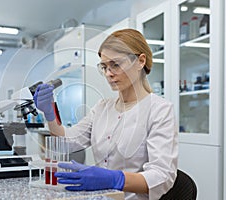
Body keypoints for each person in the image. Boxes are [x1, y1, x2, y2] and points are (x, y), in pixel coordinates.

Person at [34, 28, 178, 200]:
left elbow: (162, 177)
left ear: (140, 61)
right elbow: (68, 142)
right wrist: (50, 113)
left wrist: (116, 179)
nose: (108, 73)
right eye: (104, 66)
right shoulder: (102, 108)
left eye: (115, 65)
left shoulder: (160, 110)